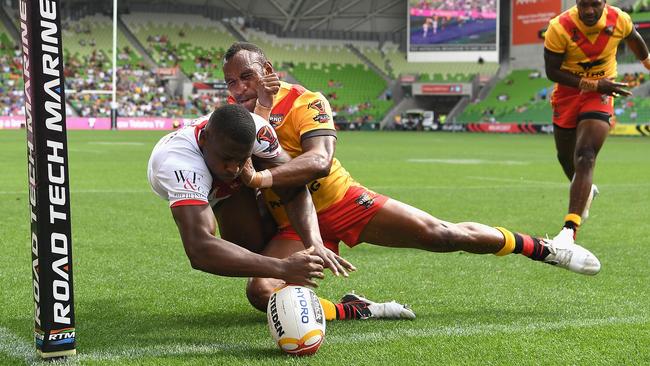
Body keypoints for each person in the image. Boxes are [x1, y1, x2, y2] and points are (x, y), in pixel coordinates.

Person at [222, 42, 601, 322]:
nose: (238, 88)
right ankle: (355, 310)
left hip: (345, 201)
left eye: (247, 77)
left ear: (267, 69)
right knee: (261, 291)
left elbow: (320, 161)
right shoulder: (233, 117)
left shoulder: (306, 101)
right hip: (292, 222)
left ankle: (541, 248)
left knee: (444, 235)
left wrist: (262, 175)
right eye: (231, 82)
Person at [147, 104, 352, 288]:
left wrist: (314, 242)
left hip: (235, 185)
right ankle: (260, 199)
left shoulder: (258, 131)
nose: (233, 168)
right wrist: (282, 267)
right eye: (226, 159)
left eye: (241, 159)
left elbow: (292, 185)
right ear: (204, 139)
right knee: (250, 248)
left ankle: (262, 196)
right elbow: (200, 249)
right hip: (208, 189)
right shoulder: (179, 163)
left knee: (275, 170)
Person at [543, 0, 650, 244]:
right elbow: (552, 72)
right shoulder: (559, 27)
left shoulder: (619, 19)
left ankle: (569, 230)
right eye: (584, 5)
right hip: (568, 94)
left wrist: (646, 61)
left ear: (604, 2)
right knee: (565, 157)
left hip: (602, 92)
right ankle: (586, 189)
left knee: (586, 155)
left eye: (595, 5)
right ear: (576, 3)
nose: (589, 11)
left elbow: (633, 37)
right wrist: (591, 82)